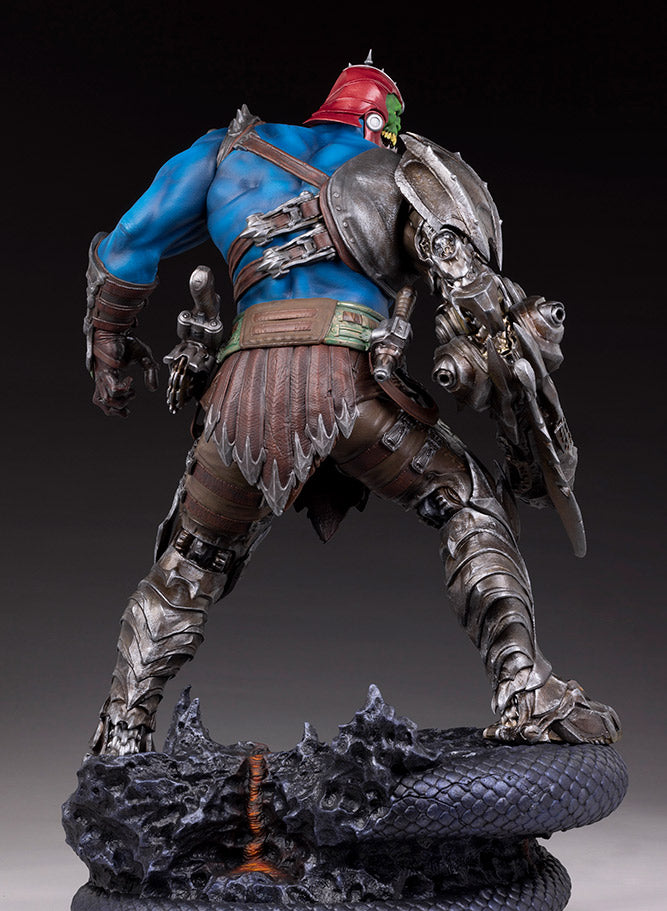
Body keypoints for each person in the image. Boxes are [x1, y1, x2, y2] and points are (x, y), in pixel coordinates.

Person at [84, 57, 620, 755]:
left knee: (188, 562)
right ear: (378, 121)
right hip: (352, 386)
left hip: (239, 392)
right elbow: (476, 299)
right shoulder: (402, 171)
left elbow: (128, 246)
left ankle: (120, 734)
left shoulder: (224, 153)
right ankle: (524, 690)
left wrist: (108, 348)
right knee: (467, 501)